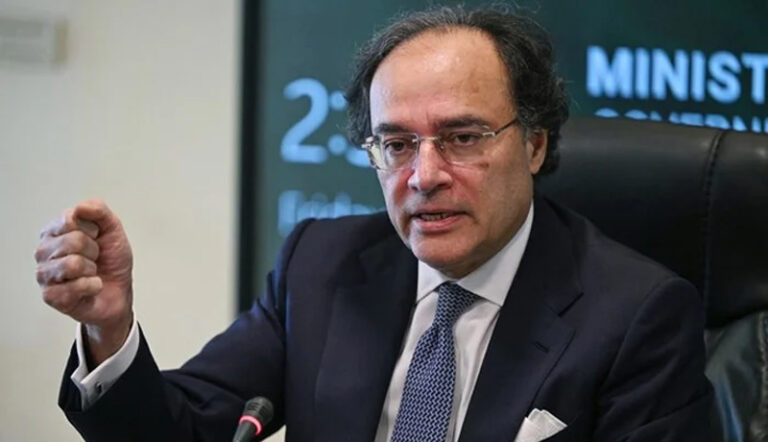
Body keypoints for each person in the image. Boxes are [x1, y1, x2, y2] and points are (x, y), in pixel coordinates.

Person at [35, 5, 713, 441]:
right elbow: (177, 431)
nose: (424, 175)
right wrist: (109, 328)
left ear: (533, 144)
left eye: (463, 137)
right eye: (396, 143)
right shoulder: (320, 265)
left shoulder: (637, 317)